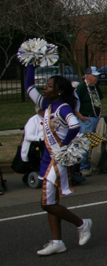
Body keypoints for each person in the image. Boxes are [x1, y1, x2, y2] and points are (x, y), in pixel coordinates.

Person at [25, 64, 93, 256]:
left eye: (48, 86)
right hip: (48, 159)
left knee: (47, 203)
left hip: (58, 159)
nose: (44, 88)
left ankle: (82, 224)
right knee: (50, 201)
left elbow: (74, 126)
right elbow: (29, 87)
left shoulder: (62, 107)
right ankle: (57, 242)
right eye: (45, 86)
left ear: (59, 91)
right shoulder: (47, 104)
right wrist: (31, 62)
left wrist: (64, 146)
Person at [74, 66, 103, 178]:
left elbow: (99, 99)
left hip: (96, 117)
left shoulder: (95, 87)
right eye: (94, 76)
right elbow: (75, 103)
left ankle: (95, 165)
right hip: (86, 119)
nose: (96, 78)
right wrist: (81, 117)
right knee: (85, 142)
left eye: (97, 76)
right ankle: (84, 167)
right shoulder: (81, 87)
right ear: (87, 76)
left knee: (95, 143)